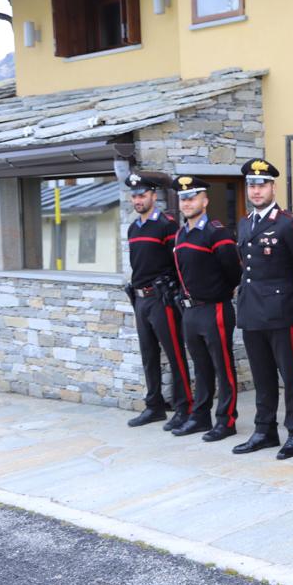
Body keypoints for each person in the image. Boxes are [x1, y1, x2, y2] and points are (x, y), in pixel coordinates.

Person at [233, 159, 293, 460]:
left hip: (281, 310)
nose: (256, 190)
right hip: (251, 309)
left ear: (273, 187)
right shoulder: (244, 222)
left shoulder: (290, 224)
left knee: (290, 374)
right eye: (251, 184)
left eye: (261, 184)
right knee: (261, 375)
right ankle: (265, 430)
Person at [169, 175, 243, 441]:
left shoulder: (216, 232)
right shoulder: (181, 232)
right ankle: (200, 417)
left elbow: (233, 271)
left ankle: (226, 421)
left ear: (205, 200)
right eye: (183, 198)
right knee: (201, 367)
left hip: (215, 309)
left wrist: (219, 292)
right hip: (190, 311)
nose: (187, 203)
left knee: (223, 368)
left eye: (192, 197)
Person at [123, 172, 192, 431]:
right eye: (134, 196)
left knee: (175, 355)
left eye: (142, 195)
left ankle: (185, 407)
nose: (138, 200)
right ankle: (154, 406)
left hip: (162, 299)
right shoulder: (133, 227)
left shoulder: (166, 225)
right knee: (149, 355)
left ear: (153, 195)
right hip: (140, 300)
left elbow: (177, 263)